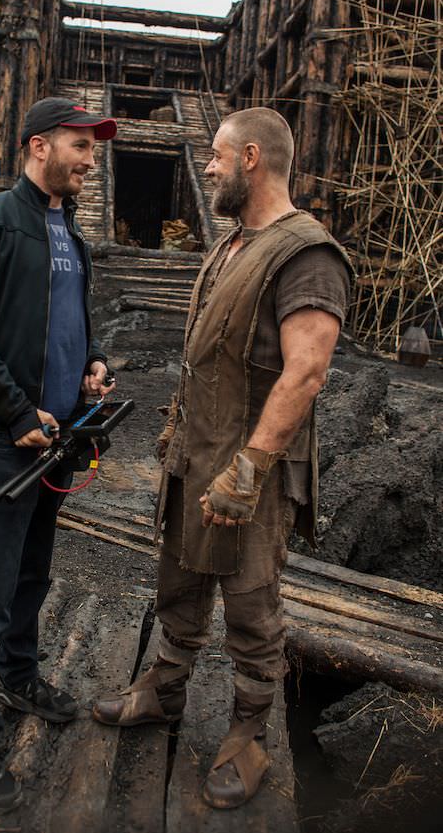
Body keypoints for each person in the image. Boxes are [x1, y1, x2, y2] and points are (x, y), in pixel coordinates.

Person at [92, 108, 352, 810]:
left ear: (252, 159)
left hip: (252, 476)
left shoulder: (307, 254)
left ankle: (247, 734)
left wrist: (249, 470)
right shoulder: (233, 243)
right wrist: (179, 434)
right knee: (178, 585)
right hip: (195, 455)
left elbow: (306, 372)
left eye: (215, 154)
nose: (205, 166)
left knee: (251, 609)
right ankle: (164, 689)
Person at [0, 97, 117, 813]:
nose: (90, 159)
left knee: (33, 571)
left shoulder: (71, 230)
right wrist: (14, 410)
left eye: (94, 148)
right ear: (38, 146)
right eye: (80, 145)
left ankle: (17, 672)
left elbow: (74, 319)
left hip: (61, 434)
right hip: (5, 437)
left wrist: (93, 364)